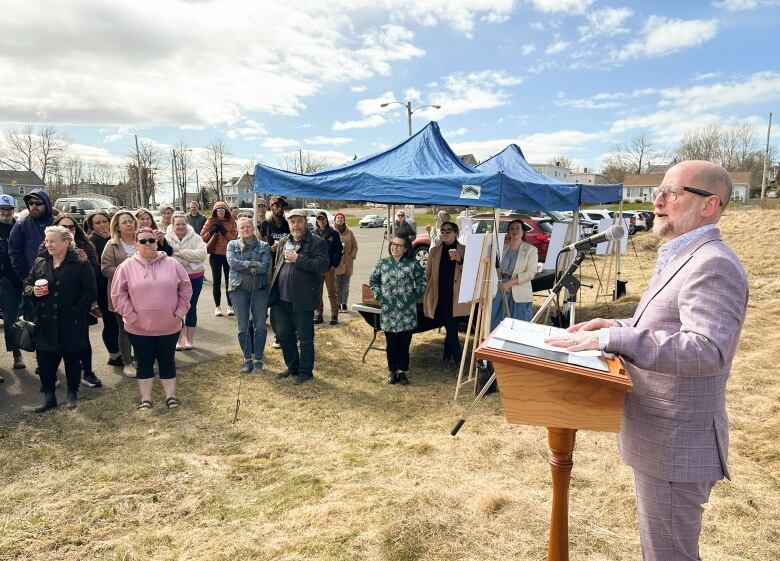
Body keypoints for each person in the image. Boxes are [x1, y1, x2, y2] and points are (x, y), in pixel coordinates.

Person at [545, 160, 749, 561]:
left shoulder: (713, 263)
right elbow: (661, 324)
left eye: (672, 192)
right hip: (659, 439)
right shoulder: (679, 255)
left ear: (709, 205)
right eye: (659, 190)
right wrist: (614, 322)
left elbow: (707, 349)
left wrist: (614, 337)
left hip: (678, 444)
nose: (657, 200)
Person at [111, 227, 192, 411]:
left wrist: (179, 314)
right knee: (144, 362)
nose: (148, 244)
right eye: (143, 241)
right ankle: (146, 399)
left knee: (167, 361)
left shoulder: (172, 263)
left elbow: (186, 289)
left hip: (169, 326)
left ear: (156, 242)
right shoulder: (126, 266)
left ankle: (171, 397)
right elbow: (118, 294)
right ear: (135, 244)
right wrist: (131, 316)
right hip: (139, 328)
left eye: (151, 240)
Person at [26, 225, 97, 412]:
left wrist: (77, 312)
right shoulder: (40, 262)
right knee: (45, 362)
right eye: (46, 241)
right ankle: (49, 397)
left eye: (52, 241)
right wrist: (33, 291)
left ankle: (72, 393)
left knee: (72, 360)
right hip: (45, 323)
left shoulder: (80, 263)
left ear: (66, 242)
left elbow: (90, 292)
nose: (48, 245)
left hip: (71, 322)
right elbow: (26, 285)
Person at [268, 208, 329, 384]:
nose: (296, 225)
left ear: (305, 222)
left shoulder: (317, 242)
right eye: (292, 221)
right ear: (289, 223)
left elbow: (323, 265)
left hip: (303, 299)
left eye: (299, 221)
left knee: (305, 338)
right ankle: (293, 367)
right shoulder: (285, 241)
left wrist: (298, 259)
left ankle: (305, 371)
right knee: (284, 335)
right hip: (281, 298)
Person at [50, 214, 103, 388]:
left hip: (80, 304)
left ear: (76, 229)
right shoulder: (47, 246)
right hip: (56, 305)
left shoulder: (85, 246)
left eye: (71, 227)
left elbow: (95, 270)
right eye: (63, 227)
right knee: (55, 341)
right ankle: (52, 374)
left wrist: (84, 263)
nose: (68, 230)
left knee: (82, 340)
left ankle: (87, 373)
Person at [369, 235, 426, 385]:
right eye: (393, 244)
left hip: (407, 313)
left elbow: (422, 281)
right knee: (391, 343)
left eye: (399, 245)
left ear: (405, 249)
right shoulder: (383, 264)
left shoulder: (412, 264)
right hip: (389, 312)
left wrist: (414, 295)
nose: (394, 247)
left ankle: (403, 372)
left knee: (404, 343)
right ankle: (392, 371)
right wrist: (379, 295)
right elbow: (373, 281)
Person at [226, 217, 271, 372]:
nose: (245, 229)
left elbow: (264, 268)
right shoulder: (232, 245)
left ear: (253, 228)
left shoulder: (264, 246)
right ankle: (247, 359)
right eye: (242, 227)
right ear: (237, 230)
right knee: (242, 327)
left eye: (248, 226)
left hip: (259, 290)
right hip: (238, 289)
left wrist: (242, 265)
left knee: (260, 326)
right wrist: (251, 264)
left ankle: (258, 359)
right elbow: (232, 263)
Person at [423, 221, 468, 366]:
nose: (445, 233)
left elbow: (471, 272)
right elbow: (428, 273)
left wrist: (460, 260)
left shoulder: (464, 250)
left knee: (451, 327)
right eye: (443, 231)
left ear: (455, 233)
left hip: (457, 296)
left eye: (449, 231)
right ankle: (453, 359)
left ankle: (453, 358)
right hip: (440, 296)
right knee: (451, 327)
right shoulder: (434, 251)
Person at [101, 210, 139, 377]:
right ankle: (128, 363)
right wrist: (129, 271)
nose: (129, 224)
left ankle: (141, 360)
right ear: (117, 226)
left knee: (142, 328)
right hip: (121, 293)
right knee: (124, 329)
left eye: (131, 221)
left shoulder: (142, 239)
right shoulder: (112, 244)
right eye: (125, 222)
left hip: (144, 293)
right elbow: (105, 269)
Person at [165, 212, 207, 350]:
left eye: (183, 223)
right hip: (174, 278)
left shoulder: (196, 237)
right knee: (176, 308)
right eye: (177, 224)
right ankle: (179, 340)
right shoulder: (166, 238)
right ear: (172, 225)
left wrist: (178, 252)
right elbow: (166, 258)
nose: (181, 226)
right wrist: (189, 257)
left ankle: (189, 340)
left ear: (187, 223)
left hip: (195, 277)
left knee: (191, 307)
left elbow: (201, 255)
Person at [86, 211, 122, 367]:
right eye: (98, 223)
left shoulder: (115, 240)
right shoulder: (90, 242)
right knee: (110, 322)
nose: (102, 225)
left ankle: (123, 351)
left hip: (120, 286)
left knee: (122, 323)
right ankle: (114, 354)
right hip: (102, 288)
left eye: (105, 221)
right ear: (92, 226)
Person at [490, 219, 538, 331]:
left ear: (522, 232)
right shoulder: (501, 247)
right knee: (496, 323)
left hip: (519, 290)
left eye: (517, 228)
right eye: (512, 228)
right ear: (508, 232)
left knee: (518, 326)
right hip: (499, 289)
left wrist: (510, 283)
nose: (514, 230)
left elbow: (531, 273)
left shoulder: (531, 250)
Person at [0, 194, 26, 375]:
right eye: (2, 209)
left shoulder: (19, 227)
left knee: (16, 318)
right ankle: (14, 354)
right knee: (10, 318)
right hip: (3, 278)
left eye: (9, 209)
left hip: (17, 278)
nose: (5, 212)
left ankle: (19, 352)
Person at [260, 196, 290, 349]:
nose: (280, 209)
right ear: (271, 207)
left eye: (282, 206)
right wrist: (269, 248)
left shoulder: (286, 224)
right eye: (277, 206)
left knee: (282, 301)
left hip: (285, 266)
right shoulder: (266, 224)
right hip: (270, 268)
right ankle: (272, 335)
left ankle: (281, 335)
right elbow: (259, 245)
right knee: (270, 301)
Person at [9, 189, 54, 283]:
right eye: (31, 203)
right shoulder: (21, 225)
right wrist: (26, 278)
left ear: (47, 205)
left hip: (57, 279)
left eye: (38, 203)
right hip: (34, 281)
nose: (33, 206)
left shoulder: (57, 223)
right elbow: (14, 253)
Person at [200, 201, 237, 316]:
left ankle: (230, 306)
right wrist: (211, 231)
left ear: (226, 211)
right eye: (218, 210)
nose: (221, 212)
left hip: (229, 255)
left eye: (223, 210)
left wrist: (224, 231)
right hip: (215, 254)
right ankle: (217, 306)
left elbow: (235, 240)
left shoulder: (231, 221)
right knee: (216, 281)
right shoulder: (210, 221)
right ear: (215, 211)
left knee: (229, 281)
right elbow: (202, 238)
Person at [313, 211, 343, 325]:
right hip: (317, 268)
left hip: (329, 268)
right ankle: (318, 314)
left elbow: (339, 250)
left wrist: (334, 264)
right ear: (317, 221)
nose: (321, 221)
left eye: (323, 219)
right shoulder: (313, 234)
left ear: (326, 220)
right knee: (317, 292)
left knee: (331, 292)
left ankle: (334, 315)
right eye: (319, 219)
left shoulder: (333, 233)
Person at [333, 211, 357, 313]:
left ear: (344, 220)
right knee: (337, 286)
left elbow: (355, 245)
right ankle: (338, 304)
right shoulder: (332, 232)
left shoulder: (349, 232)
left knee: (345, 286)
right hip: (337, 263)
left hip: (347, 263)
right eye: (338, 218)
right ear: (335, 220)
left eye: (341, 218)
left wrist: (352, 256)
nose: (340, 220)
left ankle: (344, 304)